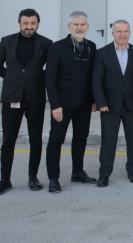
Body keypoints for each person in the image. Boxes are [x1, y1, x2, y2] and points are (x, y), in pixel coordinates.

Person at [0, 9, 52, 197]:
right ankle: (4, 180)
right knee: (8, 140)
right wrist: (12, 78)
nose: (29, 26)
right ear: (19, 23)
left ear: (38, 24)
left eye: (33, 23)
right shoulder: (6, 41)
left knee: (35, 139)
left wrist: (37, 79)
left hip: (35, 99)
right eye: (25, 23)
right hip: (12, 97)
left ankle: (33, 177)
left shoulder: (46, 43)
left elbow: (52, 69)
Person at [44, 11, 98, 194]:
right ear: (69, 27)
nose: (79, 28)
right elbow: (50, 79)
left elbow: (93, 76)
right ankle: (53, 178)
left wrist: (94, 100)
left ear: (87, 27)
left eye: (82, 24)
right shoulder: (57, 48)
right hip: (63, 104)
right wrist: (55, 105)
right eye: (76, 24)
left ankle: (77, 172)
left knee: (81, 138)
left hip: (84, 103)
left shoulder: (91, 47)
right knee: (56, 140)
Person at [92, 20, 133, 187]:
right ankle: (104, 175)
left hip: (132, 104)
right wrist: (100, 102)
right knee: (108, 142)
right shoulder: (102, 53)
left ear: (129, 33)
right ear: (113, 33)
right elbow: (96, 81)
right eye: (119, 31)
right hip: (109, 105)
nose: (123, 34)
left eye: (126, 31)